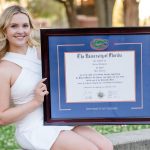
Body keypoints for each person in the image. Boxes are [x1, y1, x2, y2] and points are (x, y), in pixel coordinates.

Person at [0, 5, 113, 150]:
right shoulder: (4, 68)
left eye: (25, 25)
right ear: (4, 30)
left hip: (59, 118)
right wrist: (35, 102)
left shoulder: (44, 51)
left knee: (106, 146)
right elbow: (2, 118)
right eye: (14, 26)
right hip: (33, 127)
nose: (21, 31)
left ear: (30, 28)